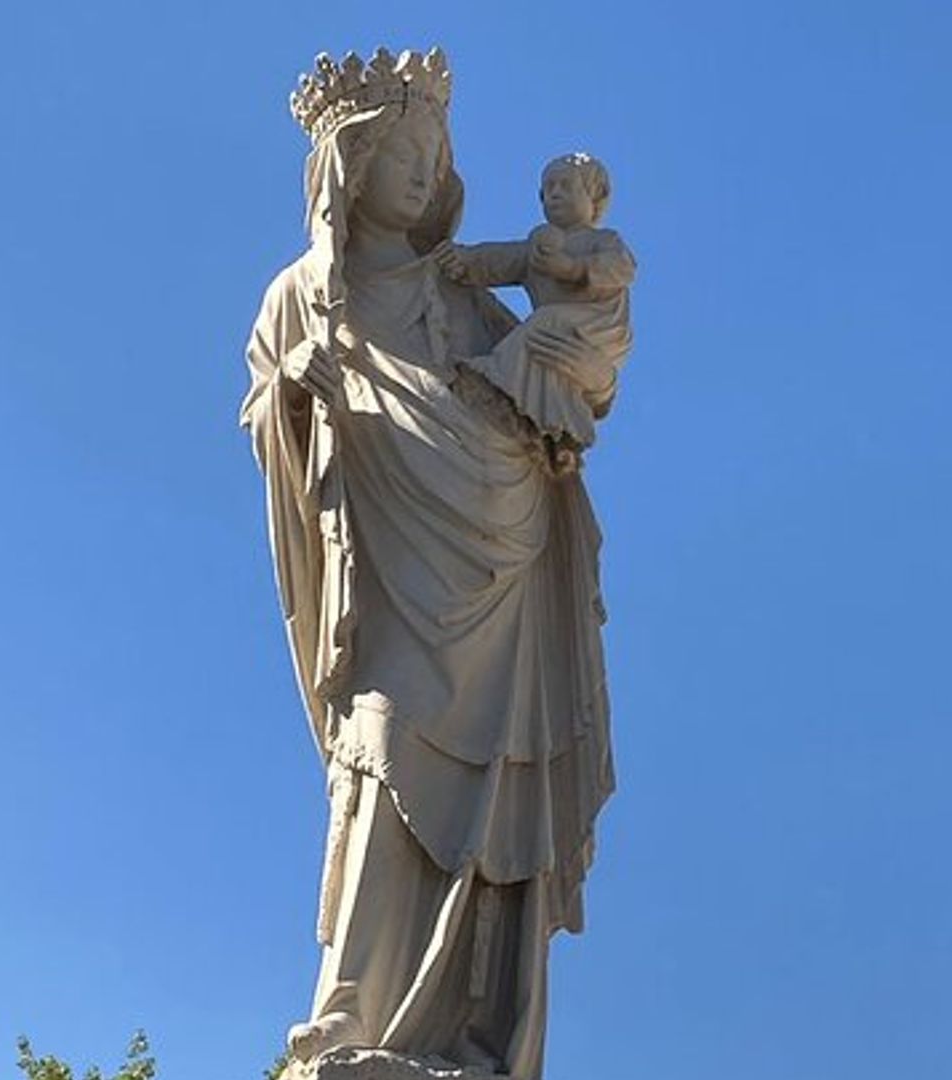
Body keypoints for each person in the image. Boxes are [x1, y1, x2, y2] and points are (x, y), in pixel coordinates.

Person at [239, 49, 616, 1080]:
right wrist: (300, 394)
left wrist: (567, 385)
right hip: (393, 581)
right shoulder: (303, 298)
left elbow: (549, 399)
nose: (423, 169)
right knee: (381, 750)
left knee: (498, 799)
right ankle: (355, 1012)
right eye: (402, 150)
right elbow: (273, 418)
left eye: (433, 152)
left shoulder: (466, 298)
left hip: (502, 571)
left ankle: (479, 1036)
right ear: (350, 167)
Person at [439, 153, 636, 469]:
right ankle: (545, 422)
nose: (554, 194)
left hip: (599, 325)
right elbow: (500, 259)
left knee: (545, 323)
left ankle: (495, 377)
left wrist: (572, 268)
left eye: (566, 186)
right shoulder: (539, 246)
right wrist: (463, 260)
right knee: (543, 339)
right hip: (556, 329)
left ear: (594, 198)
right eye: (548, 189)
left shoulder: (603, 240)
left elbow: (621, 269)